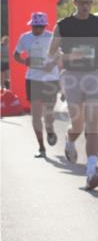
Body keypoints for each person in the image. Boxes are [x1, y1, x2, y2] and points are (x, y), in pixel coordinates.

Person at [46, 0, 98, 190]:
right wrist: (68, 57)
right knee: (78, 124)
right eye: (81, 2)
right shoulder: (63, 25)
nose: (85, 6)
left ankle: (91, 172)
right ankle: (69, 140)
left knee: (93, 124)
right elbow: (51, 54)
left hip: (95, 74)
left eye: (88, 2)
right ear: (74, 3)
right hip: (72, 76)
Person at [13, 12, 60, 157]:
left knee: (49, 113)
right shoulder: (25, 37)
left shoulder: (52, 37)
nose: (37, 29)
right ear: (31, 25)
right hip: (33, 79)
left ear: (45, 26)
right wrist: (24, 61)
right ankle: (41, 147)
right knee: (36, 115)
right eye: (34, 26)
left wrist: (52, 64)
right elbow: (16, 54)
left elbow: (60, 54)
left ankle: (50, 129)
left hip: (50, 78)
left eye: (39, 26)